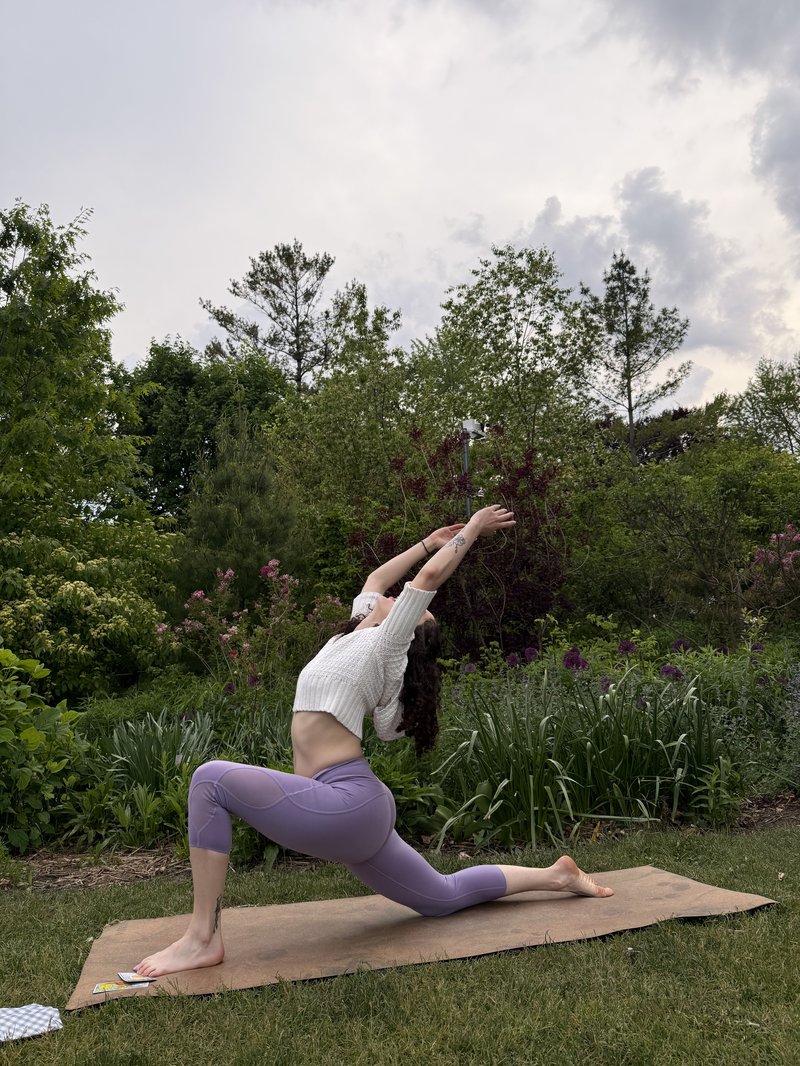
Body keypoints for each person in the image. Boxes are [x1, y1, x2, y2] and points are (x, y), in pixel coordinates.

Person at [135, 505, 613, 978]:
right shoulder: (353, 636)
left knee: (209, 780)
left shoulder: (387, 646)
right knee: (441, 897)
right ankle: (557, 875)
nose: (396, 599)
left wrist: (472, 530)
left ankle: (202, 938)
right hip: (349, 806)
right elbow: (376, 578)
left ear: (407, 629)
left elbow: (426, 579)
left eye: (413, 611)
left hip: (346, 803)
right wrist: (429, 539)